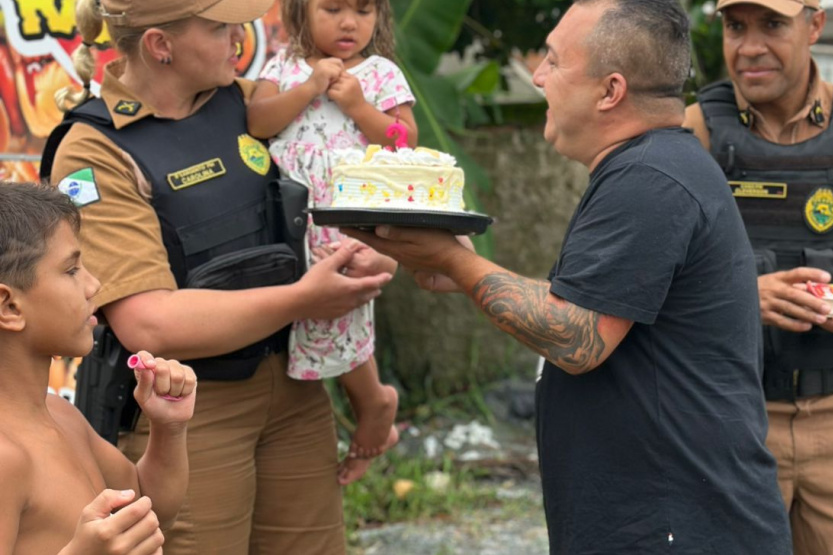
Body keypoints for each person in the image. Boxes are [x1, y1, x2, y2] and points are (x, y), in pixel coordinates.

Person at [348, 0, 792, 552]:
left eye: (553, 62)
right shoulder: (651, 166)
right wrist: (462, 271)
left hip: (676, 528)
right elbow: (590, 306)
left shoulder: (648, 178)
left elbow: (579, 338)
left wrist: (456, 262)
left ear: (610, 91)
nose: (536, 76)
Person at [41, 0, 393, 553]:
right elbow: (149, 323)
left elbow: (348, 174)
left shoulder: (252, 104)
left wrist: (376, 250)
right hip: (183, 413)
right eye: (218, 27)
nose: (239, 38)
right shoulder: (95, 148)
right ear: (161, 45)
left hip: (294, 389)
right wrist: (303, 299)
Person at [684, 1, 833, 553]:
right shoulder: (691, 134)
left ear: (815, 26)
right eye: (736, 27)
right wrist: (740, 296)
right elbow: (643, 282)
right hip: (725, 423)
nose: (750, 47)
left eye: (772, 25)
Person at [246, 0, 413, 485]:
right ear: (299, 12)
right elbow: (258, 121)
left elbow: (405, 139)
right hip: (286, 218)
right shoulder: (282, 65)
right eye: (333, 8)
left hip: (345, 222)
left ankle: (374, 403)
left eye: (362, 11)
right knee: (304, 315)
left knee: (339, 309)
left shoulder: (380, 73)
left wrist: (358, 106)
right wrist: (310, 86)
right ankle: (365, 405)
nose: (348, 23)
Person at [0, 181, 197, 555]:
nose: (94, 285)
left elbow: (148, 506)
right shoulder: (4, 458)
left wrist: (168, 427)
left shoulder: (60, 414)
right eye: (72, 270)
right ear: (9, 307)